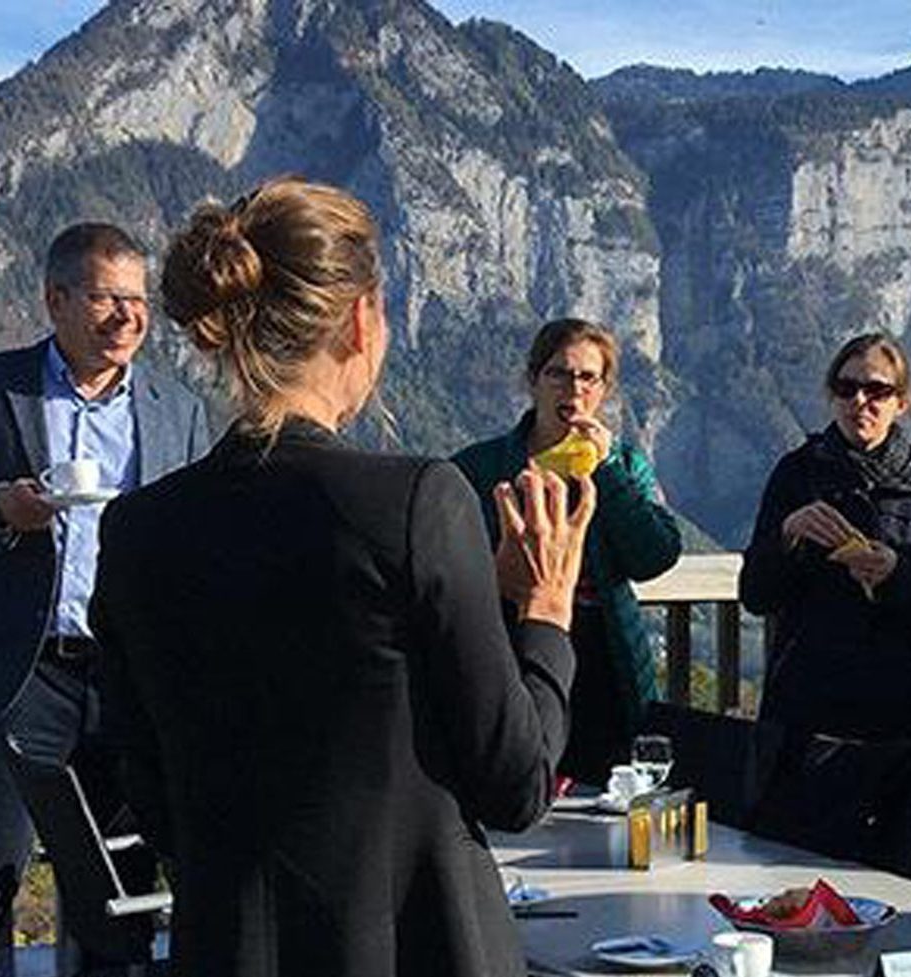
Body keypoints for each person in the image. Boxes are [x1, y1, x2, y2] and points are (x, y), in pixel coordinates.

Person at [89, 176, 590, 976]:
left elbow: (143, 776)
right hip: (416, 947)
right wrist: (544, 612)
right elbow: (516, 783)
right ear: (362, 321)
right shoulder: (416, 502)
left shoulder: (136, 529)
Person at [0, 223, 211, 976]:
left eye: (136, 300)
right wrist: (0, 511)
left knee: (120, 883)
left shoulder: (177, 408)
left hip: (128, 676)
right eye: (106, 298)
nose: (126, 317)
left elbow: (198, 534)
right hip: (20, 671)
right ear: (56, 299)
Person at [452, 318, 682, 782]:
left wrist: (607, 474)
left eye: (587, 377)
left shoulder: (623, 464)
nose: (572, 389)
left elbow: (655, 555)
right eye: (558, 373)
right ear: (533, 381)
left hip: (606, 660)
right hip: (515, 650)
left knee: (611, 795)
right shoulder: (479, 467)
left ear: (603, 391)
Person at [741, 333, 911, 764]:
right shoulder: (797, 473)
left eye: (877, 390)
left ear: (901, 403)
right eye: (846, 388)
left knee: (904, 829)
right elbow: (755, 594)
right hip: (807, 706)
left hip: (905, 711)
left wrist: (894, 575)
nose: (860, 401)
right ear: (831, 397)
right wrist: (788, 536)